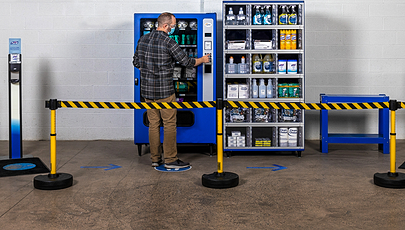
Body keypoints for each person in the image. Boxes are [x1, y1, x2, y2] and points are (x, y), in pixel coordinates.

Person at [133, 12, 210, 169]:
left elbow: (135, 62)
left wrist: (149, 71)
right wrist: (203, 59)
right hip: (165, 92)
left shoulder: (143, 39)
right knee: (169, 124)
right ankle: (170, 159)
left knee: (153, 124)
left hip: (147, 91)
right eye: (173, 26)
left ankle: (155, 158)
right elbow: (186, 62)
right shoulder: (169, 42)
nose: (174, 29)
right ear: (166, 25)